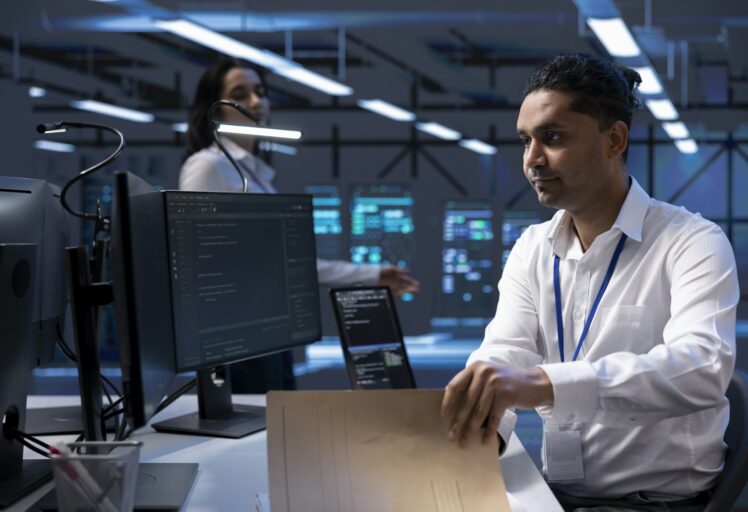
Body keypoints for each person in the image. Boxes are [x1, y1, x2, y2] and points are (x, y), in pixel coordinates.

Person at [441, 53, 739, 511]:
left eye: (553, 137)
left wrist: (544, 383)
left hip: (655, 504)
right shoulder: (532, 247)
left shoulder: (692, 241)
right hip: (558, 496)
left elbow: (701, 369)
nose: (532, 160)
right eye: (526, 141)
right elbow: (504, 354)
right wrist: (475, 429)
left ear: (614, 140)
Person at [180, 57, 419, 392]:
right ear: (215, 108)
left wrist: (371, 275)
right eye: (240, 93)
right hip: (238, 341)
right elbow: (194, 265)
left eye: (260, 92)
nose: (255, 101)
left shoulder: (257, 176)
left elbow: (288, 265)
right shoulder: (207, 166)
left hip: (272, 335)